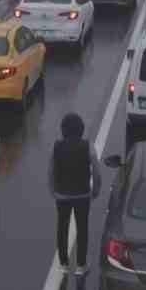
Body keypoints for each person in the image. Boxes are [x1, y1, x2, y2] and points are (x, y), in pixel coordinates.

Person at [49, 112, 103, 276]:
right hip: (82, 195)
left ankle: (63, 263)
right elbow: (96, 170)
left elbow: (50, 171)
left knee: (62, 227)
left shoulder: (56, 146)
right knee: (82, 228)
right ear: (81, 129)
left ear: (63, 130)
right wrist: (96, 189)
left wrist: (52, 189)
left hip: (62, 195)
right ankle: (81, 265)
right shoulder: (88, 146)